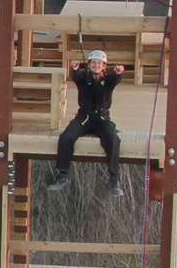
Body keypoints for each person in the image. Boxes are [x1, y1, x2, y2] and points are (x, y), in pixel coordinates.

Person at [46, 49, 125, 196]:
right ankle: (62, 175)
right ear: (89, 64)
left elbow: (116, 78)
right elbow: (75, 75)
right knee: (66, 137)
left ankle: (114, 179)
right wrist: (74, 68)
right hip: (84, 118)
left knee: (113, 139)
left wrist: (119, 71)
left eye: (99, 63)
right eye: (93, 63)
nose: (96, 65)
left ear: (104, 66)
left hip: (102, 118)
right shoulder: (84, 77)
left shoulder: (108, 79)